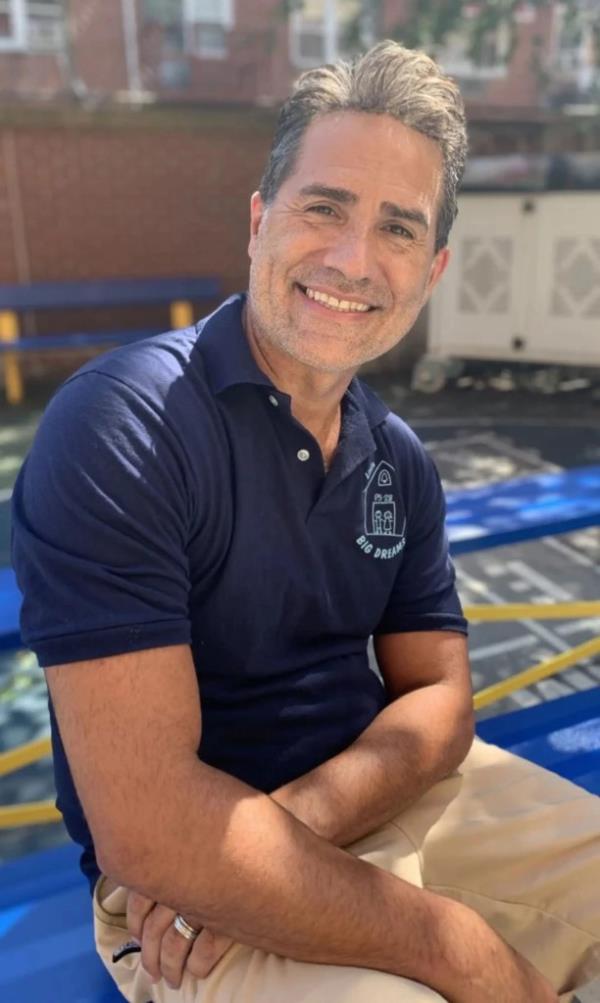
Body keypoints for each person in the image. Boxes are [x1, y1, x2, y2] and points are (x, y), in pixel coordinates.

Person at [11, 41, 599, 1003]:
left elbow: (441, 700)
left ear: (435, 267)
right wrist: (454, 945)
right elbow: (152, 823)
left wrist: (308, 817)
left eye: (399, 230)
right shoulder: (126, 424)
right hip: (189, 899)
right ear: (259, 220)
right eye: (324, 206)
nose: (353, 259)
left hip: (388, 804)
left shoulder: (396, 455)